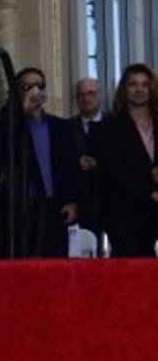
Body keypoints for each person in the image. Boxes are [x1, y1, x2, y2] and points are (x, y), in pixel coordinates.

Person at [0, 67, 80, 258]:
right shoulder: (6, 125)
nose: (35, 92)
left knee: (54, 266)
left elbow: (71, 167)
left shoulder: (61, 126)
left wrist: (73, 201)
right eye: (27, 87)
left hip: (54, 209)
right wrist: (21, 111)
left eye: (39, 86)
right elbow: (1, 150)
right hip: (21, 209)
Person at [96, 64, 158, 257]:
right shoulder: (109, 127)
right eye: (133, 84)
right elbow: (116, 173)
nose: (139, 89)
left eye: (144, 84)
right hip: (125, 216)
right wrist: (150, 192)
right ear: (124, 89)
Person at [71, 77, 105, 247]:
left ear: (100, 96)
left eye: (91, 93)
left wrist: (101, 164)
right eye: (81, 95)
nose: (86, 98)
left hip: (109, 205)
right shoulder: (66, 128)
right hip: (79, 205)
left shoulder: (116, 125)